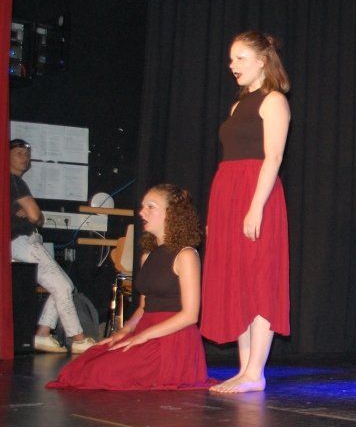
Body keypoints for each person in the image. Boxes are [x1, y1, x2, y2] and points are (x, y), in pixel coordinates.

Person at [47, 184, 214, 390]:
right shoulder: (148, 255)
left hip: (172, 339)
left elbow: (190, 315)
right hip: (147, 331)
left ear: (171, 213)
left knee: (99, 373)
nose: (142, 212)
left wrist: (144, 336)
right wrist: (124, 331)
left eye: (150, 207)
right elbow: (144, 307)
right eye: (143, 207)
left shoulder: (186, 255)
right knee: (83, 364)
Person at [201, 32, 291, 394]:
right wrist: (217, 216)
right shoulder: (238, 106)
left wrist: (256, 206)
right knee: (237, 281)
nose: (232, 65)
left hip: (258, 194)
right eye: (231, 58)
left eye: (239, 58)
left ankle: (256, 372)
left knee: (259, 280)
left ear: (261, 61)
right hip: (229, 194)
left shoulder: (274, 101)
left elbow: (274, 157)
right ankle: (244, 370)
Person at [9, 138, 96, 354]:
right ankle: (78, 339)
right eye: (19, 154)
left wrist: (30, 215)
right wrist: (36, 216)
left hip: (15, 243)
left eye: (27, 154)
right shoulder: (14, 181)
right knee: (64, 286)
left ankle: (43, 333)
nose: (25, 158)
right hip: (22, 241)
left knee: (63, 286)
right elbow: (36, 216)